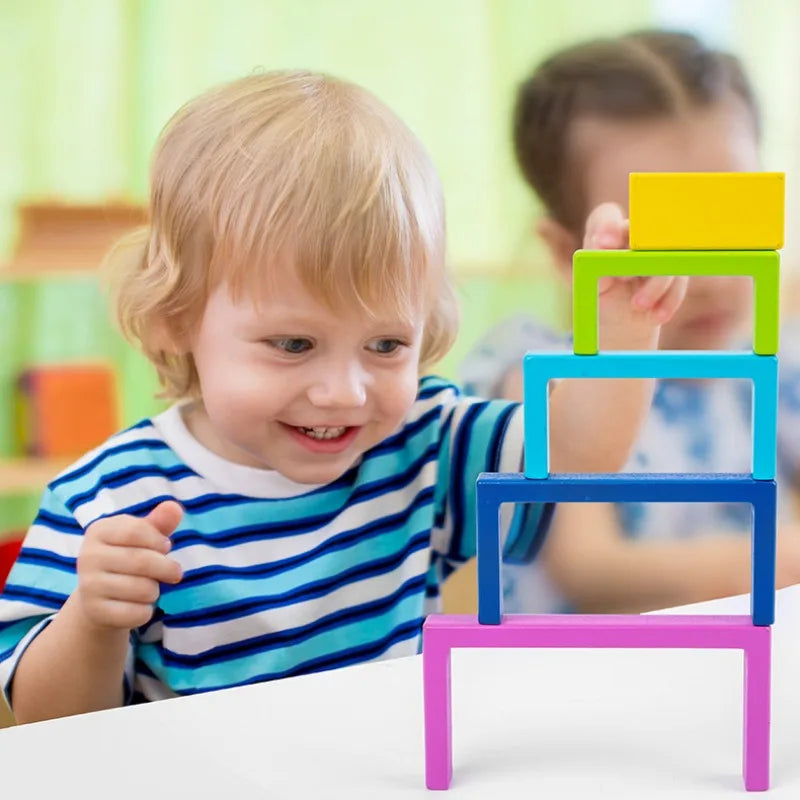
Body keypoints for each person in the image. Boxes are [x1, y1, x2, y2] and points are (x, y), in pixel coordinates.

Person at [0, 70, 685, 723]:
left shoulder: (420, 443)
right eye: (293, 345)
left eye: (386, 346)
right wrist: (91, 619)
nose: (343, 393)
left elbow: (578, 454)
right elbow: (43, 719)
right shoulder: (106, 501)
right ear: (177, 316)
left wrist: (623, 325)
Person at [460, 30, 800, 615]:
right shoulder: (548, 381)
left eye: (732, 227)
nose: (713, 279)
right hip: (593, 685)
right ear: (569, 251)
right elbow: (594, 571)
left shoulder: (767, 368)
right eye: (661, 245)